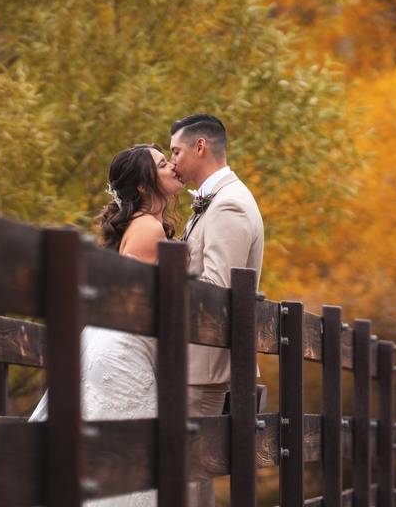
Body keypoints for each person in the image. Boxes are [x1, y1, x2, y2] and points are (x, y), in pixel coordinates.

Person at [29, 143, 183, 507]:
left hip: (113, 343)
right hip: (123, 351)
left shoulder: (143, 224)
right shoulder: (148, 230)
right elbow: (141, 304)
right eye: (163, 164)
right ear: (144, 186)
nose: (172, 167)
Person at [170, 114, 264, 507]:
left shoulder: (229, 205)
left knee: (187, 475)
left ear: (200, 146)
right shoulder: (218, 200)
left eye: (176, 151)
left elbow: (215, 291)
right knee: (188, 474)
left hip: (203, 367)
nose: (173, 161)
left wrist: (162, 282)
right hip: (196, 364)